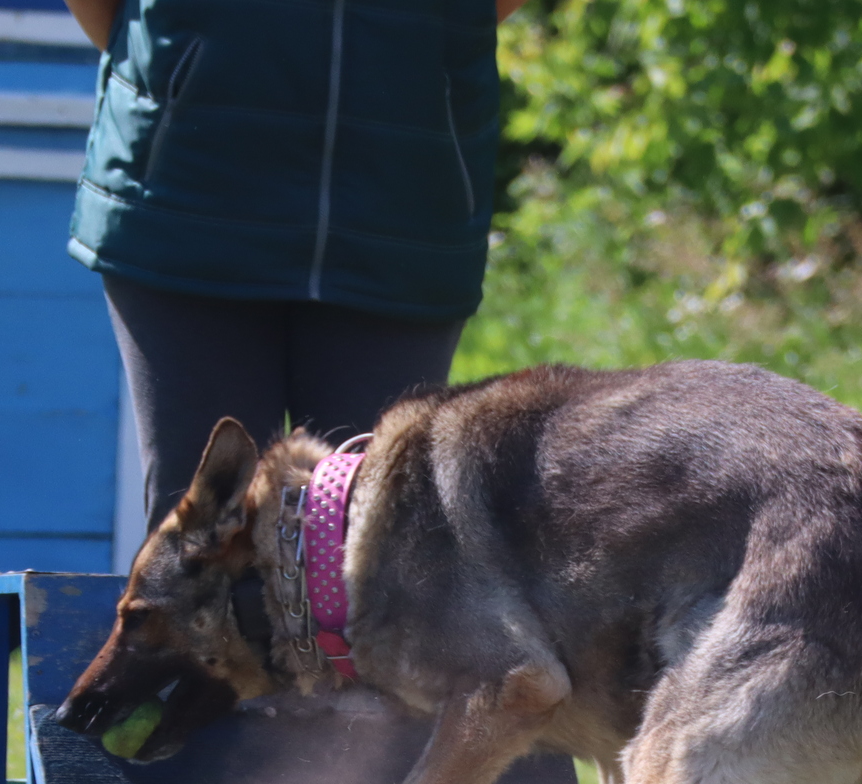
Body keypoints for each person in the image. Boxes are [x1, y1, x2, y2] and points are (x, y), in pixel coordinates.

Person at [60, 0, 527, 532]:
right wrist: (189, 62)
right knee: (203, 541)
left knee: (373, 541)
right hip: (185, 198)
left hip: (400, 205)